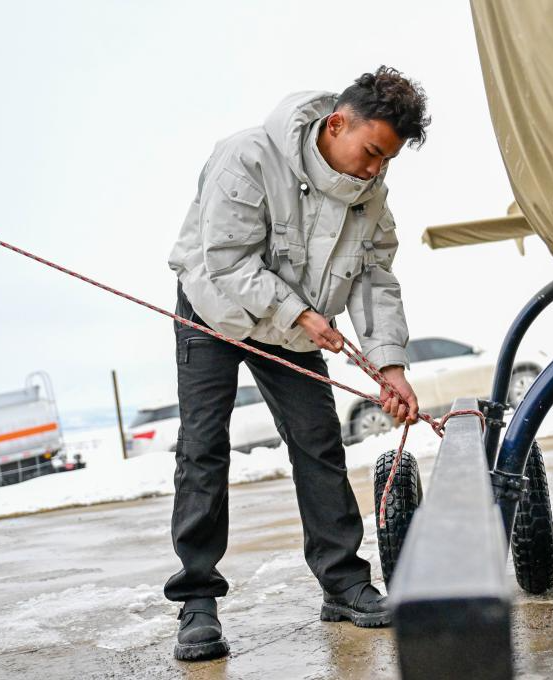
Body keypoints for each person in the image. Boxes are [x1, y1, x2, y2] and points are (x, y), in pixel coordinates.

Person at [164, 66, 429, 661]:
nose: (374, 170)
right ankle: (197, 603)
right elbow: (228, 262)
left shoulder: (369, 195)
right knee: (203, 445)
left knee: (318, 441)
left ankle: (343, 584)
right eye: (370, 152)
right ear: (337, 124)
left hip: (296, 324)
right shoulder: (247, 157)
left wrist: (389, 366)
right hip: (214, 312)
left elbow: (375, 277)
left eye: (386, 160)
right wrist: (302, 315)